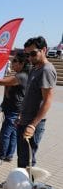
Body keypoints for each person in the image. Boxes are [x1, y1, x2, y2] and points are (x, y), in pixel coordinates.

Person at [17, 36, 57, 168]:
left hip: (33, 123)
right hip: (25, 119)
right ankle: (20, 185)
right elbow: (29, 96)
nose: (30, 57)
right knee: (22, 157)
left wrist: (33, 125)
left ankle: (28, 187)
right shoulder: (35, 68)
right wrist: (21, 115)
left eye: (33, 53)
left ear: (44, 50)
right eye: (27, 54)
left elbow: (47, 100)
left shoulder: (46, 70)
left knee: (28, 160)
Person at [0, 53, 29, 167]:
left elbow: (0, 82)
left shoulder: (22, 76)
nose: (12, 63)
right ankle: (9, 155)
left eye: (15, 61)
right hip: (10, 108)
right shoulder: (17, 75)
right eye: (12, 61)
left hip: (15, 110)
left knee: (5, 134)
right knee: (12, 133)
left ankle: (1, 157)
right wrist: (2, 105)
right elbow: (7, 91)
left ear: (22, 63)